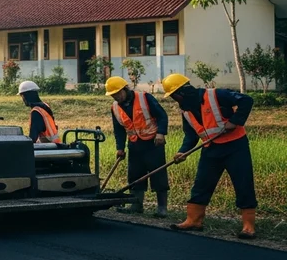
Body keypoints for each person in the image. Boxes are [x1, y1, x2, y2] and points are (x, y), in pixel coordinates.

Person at [163, 73, 257, 239]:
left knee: (243, 184)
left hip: (235, 147)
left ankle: (248, 226)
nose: (174, 100)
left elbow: (246, 100)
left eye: (173, 96)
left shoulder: (216, 95)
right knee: (201, 185)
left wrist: (235, 121)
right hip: (211, 149)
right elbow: (191, 135)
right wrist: (182, 151)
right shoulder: (186, 111)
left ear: (182, 92)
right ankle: (194, 220)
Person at [105, 76, 169, 216]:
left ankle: (162, 208)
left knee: (158, 175)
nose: (116, 97)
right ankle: (136, 205)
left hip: (153, 143)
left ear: (125, 89)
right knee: (135, 175)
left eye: (117, 93)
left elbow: (162, 116)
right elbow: (118, 129)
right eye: (113, 95)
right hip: (134, 144)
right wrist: (120, 148)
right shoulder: (115, 107)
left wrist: (161, 133)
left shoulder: (144, 98)